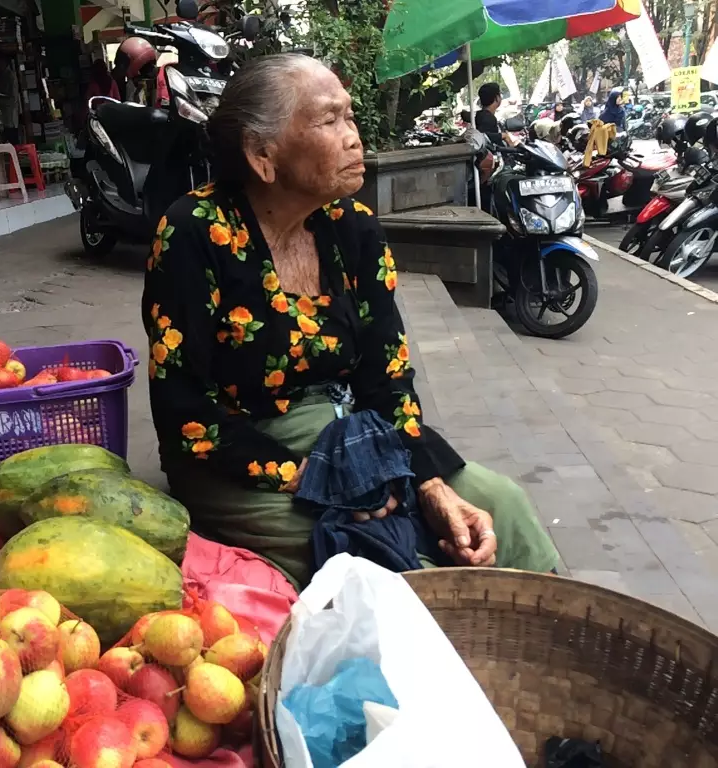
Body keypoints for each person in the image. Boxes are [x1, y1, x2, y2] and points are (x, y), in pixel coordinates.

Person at [141, 54, 559, 589]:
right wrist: (321, 477)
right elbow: (183, 409)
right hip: (238, 459)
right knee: (378, 557)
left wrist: (424, 478)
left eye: (350, 117)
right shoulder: (194, 231)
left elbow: (387, 379)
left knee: (502, 504)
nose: (353, 137)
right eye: (328, 120)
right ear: (261, 153)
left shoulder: (353, 228)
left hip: (356, 436)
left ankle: (554, 647)